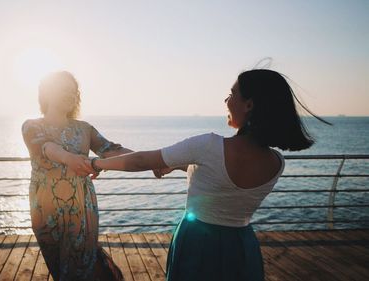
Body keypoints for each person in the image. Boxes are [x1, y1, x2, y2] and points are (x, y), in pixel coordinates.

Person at [86, 69, 331, 280]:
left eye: (232, 94)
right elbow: (221, 181)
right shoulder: (277, 162)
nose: (226, 100)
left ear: (249, 104)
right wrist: (181, 166)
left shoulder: (207, 146)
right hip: (242, 246)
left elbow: (141, 160)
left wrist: (95, 164)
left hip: (197, 242)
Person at [21, 71, 130, 280]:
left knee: (81, 268)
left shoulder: (85, 129)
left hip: (81, 208)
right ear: (47, 93)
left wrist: (157, 161)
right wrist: (69, 158)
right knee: (60, 269)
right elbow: (46, 148)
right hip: (46, 212)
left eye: (74, 91)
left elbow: (112, 150)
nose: (70, 94)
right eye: (63, 88)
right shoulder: (31, 126)